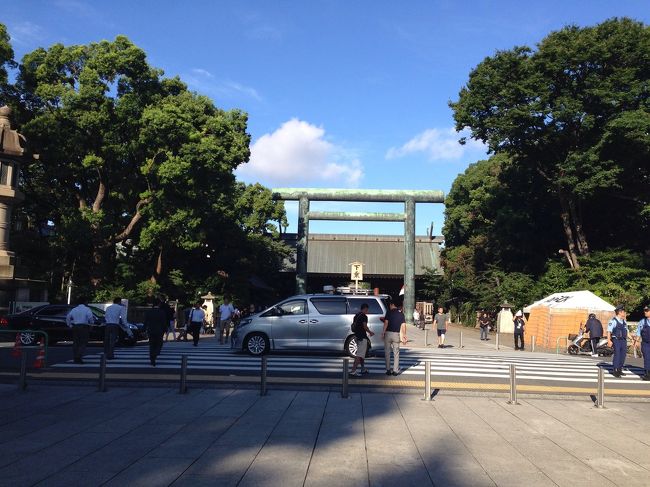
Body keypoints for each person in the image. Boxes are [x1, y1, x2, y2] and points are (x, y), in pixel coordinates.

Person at [65, 297, 95, 364]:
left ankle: (75, 357)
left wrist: (70, 325)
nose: (87, 303)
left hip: (75, 326)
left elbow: (68, 317)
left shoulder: (74, 309)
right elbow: (90, 317)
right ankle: (79, 356)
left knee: (76, 342)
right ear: (85, 302)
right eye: (87, 302)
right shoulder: (87, 309)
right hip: (84, 327)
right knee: (83, 342)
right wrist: (91, 325)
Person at [382, 301, 407, 375]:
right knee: (396, 353)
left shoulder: (389, 312)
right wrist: (404, 335)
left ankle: (388, 370)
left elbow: (386, 323)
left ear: (392, 304)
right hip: (396, 334)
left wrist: (383, 332)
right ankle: (395, 370)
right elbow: (403, 325)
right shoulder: (401, 314)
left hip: (388, 334)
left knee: (387, 352)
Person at [350, 303, 374, 377]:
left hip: (357, 336)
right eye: (367, 310)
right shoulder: (364, 316)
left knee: (362, 354)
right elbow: (365, 326)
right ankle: (353, 370)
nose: (367, 311)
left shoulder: (356, 315)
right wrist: (370, 332)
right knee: (359, 355)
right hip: (362, 337)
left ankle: (363, 369)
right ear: (365, 309)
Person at [144, 298, 167, 366]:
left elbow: (145, 322)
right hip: (159, 330)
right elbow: (163, 322)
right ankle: (156, 353)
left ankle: (152, 359)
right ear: (159, 304)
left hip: (150, 330)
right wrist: (165, 329)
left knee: (151, 345)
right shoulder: (162, 312)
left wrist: (143, 329)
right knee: (159, 343)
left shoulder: (149, 312)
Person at [607, 305, 628, 377]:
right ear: (620, 312)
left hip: (623, 340)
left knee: (623, 355)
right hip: (616, 340)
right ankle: (615, 370)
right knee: (617, 354)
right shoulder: (613, 321)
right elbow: (609, 331)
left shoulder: (624, 321)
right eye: (624, 312)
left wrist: (632, 338)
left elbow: (627, 331)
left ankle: (619, 369)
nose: (625, 313)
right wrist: (609, 340)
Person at [635, 305, 650, 381]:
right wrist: (637, 341)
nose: (645, 312)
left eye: (647, 311)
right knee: (647, 358)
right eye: (645, 311)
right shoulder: (642, 321)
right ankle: (647, 374)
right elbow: (638, 332)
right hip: (646, 343)